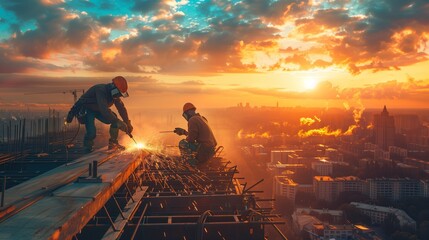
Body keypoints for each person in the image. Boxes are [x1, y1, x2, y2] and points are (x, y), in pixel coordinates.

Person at [66, 76, 133, 152]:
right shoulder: (100, 90)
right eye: (118, 93)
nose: (118, 96)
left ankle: (113, 144)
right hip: (88, 109)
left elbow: (121, 109)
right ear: (113, 87)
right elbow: (104, 109)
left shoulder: (114, 95)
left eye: (119, 94)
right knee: (91, 132)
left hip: (99, 110)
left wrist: (127, 123)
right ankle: (87, 148)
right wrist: (71, 114)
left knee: (115, 120)